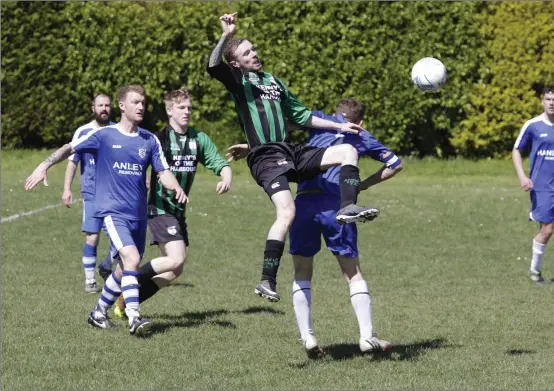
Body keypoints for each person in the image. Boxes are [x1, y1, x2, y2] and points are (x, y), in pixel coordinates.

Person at [207, 13, 379, 302]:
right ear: (236, 63)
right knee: (287, 212)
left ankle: (347, 207)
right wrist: (226, 35)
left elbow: (302, 116)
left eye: (253, 48)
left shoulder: (274, 81)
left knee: (347, 151)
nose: (255, 53)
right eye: (247, 52)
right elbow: (213, 66)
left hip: (290, 150)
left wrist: (339, 125)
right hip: (265, 157)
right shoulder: (238, 80)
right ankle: (266, 280)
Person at [228, 98, 402, 358]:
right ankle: (366, 338)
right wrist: (360, 185)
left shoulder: (321, 121)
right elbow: (395, 164)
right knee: (352, 272)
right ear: (360, 121)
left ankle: (308, 338)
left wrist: (250, 146)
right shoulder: (362, 135)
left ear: (335, 114)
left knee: (301, 271)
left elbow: (281, 126)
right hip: (337, 206)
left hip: (304, 205)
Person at [25, 85, 189, 337]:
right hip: (113, 213)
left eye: (143, 102)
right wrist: (44, 165)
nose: (141, 106)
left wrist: (176, 187)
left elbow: (162, 172)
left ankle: (98, 313)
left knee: (124, 270)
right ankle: (135, 317)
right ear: (122, 106)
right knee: (133, 259)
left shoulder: (149, 139)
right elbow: (71, 147)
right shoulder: (104, 135)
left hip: (139, 216)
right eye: (135, 102)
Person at [112, 88, 232, 318]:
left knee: (174, 271)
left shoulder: (198, 139)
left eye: (189, 107)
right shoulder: (158, 139)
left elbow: (218, 162)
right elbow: (137, 163)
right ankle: (129, 276)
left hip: (178, 211)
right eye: (181, 107)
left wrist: (226, 175)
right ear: (169, 110)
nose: (187, 112)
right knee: (177, 258)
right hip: (159, 208)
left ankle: (124, 302)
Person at [512, 86, 554, 284]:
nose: (551, 103)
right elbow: (516, 151)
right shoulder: (533, 126)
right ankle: (535, 271)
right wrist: (522, 177)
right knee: (547, 231)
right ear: (542, 101)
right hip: (542, 189)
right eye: (548, 99)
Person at [62, 94, 115, 293]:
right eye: (100, 105)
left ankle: (106, 266)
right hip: (92, 193)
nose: (104, 108)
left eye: (107, 105)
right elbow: (72, 162)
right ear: (93, 108)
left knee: (121, 241)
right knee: (92, 237)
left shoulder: (116, 130)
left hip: (114, 194)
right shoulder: (83, 131)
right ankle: (90, 280)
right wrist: (67, 189)